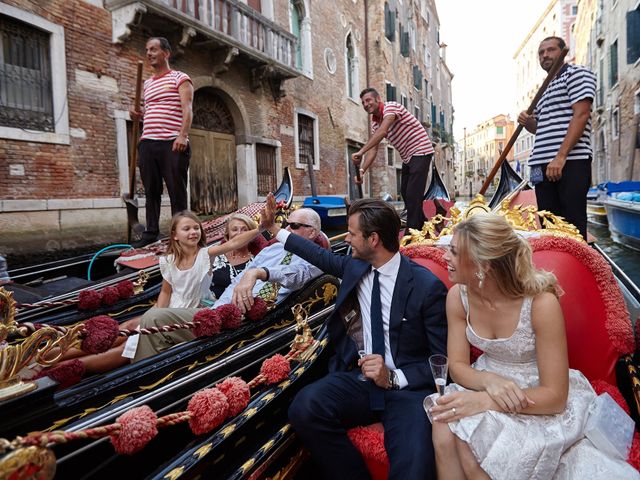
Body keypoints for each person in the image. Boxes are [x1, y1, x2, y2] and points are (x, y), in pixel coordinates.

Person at [430, 213, 639, 479]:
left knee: (474, 456)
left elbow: (554, 397)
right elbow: (457, 366)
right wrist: (489, 382)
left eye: (454, 252)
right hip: (485, 379)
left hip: (537, 393)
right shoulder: (457, 297)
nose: (445, 257)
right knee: (443, 427)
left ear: (483, 265)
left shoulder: (541, 304)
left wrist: (486, 401)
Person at [260, 193, 448, 479]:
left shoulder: (427, 287)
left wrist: (394, 378)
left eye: (351, 233)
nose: (345, 239)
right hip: (359, 380)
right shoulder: (355, 267)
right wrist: (275, 230)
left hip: (406, 389)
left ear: (373, 240)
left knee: (414, 464)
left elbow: (441, 360)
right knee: (305, 407)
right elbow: (317, 255)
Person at [47, 211, 261, 373]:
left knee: (131, 341)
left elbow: (236, 244)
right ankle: (54, 355)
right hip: (171, 309)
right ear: (175, 235)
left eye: (196, 228)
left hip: (196, 311)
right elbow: (166, 292)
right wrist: (155, 312)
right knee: (129, 328)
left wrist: (262, 227)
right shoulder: (168, 261)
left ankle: (63, 369)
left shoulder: (209, 254)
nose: (193, 232)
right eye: (187, 229)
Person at [131, 207, 324, 362]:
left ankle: (148, 378)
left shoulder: (317, 257)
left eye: (295, 226)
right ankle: (147, 375)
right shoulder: (272, 249)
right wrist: (217, 310)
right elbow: (235, 284)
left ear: (312, 232)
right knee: (153, 318)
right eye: (287, 224)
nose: (287, 230)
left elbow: (295, 276)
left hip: (251, 319)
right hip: (223, 312)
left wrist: (259, 273)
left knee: (148, 322)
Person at [518, 36, 596, 240]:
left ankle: (578, 267)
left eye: (550, 50)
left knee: (572, 224)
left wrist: (560, 157)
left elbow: (582, 114)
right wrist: (528, 123)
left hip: (569, 161)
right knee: (548, 224)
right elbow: (540, 129)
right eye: (541, 52)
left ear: (562, 52)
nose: (545, 55)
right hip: (539, 165)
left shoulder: (577, 74)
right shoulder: (542, 89)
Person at [130, 37, 194, 248]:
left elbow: (187, 109)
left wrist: (182, 135)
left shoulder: (180, 78)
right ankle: (151, 233)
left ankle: (181, 232)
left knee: (177, 190)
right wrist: (138, 114)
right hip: (148, 142)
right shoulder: (147, 84)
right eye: (147, 49)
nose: (149, 53)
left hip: (172, 143)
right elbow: (151, 111)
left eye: (154, 49)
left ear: (166, 53)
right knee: (151, 190)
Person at [351, 87, 434, 230]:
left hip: (421, 149)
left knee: (413, 193)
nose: (366, 104)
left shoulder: (391, 107)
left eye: (368, 100)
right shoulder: (375, 123)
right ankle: (422, 223)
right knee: (405, 192)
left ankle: (412, 231)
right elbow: (374, 150)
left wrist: (360, 152)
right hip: (408, 156)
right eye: (363, 102)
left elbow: (383, 132)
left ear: (378, 99)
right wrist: (363, 169)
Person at [210, 213, 260, 300]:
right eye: (234, 229)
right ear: (227, 234)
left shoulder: (256, 262)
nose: (239, 233)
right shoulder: (215, 254)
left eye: (245, 230)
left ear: (251, 235)